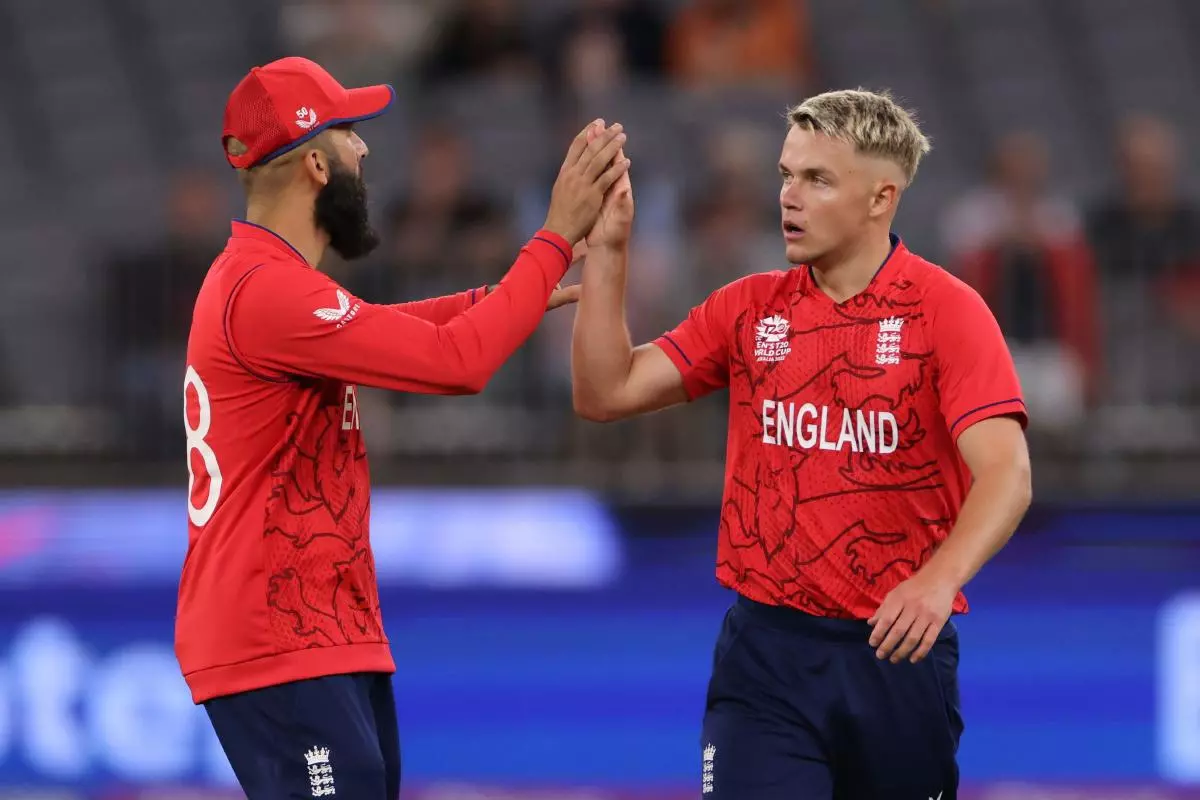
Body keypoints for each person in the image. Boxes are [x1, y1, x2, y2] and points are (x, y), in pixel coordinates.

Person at [175, 56, 629, 800]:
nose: (366, 150)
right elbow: (458, 364)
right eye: (351, 131)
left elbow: (389, 330)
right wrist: (550, 240)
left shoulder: (269, 282)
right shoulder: (266, 291)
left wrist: (508, 289)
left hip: (316, 629)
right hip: (276, 637)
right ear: (316, 163)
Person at [571, 89, 1033, 799]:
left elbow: (1006, 474)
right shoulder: (749, 308)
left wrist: (939, 580)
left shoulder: (948, 312)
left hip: (896, 653)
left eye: (817, 180)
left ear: (882, 198)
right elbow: (605, 391)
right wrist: (608, 251)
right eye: (787, 175)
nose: (789, 196)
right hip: (766, 658)